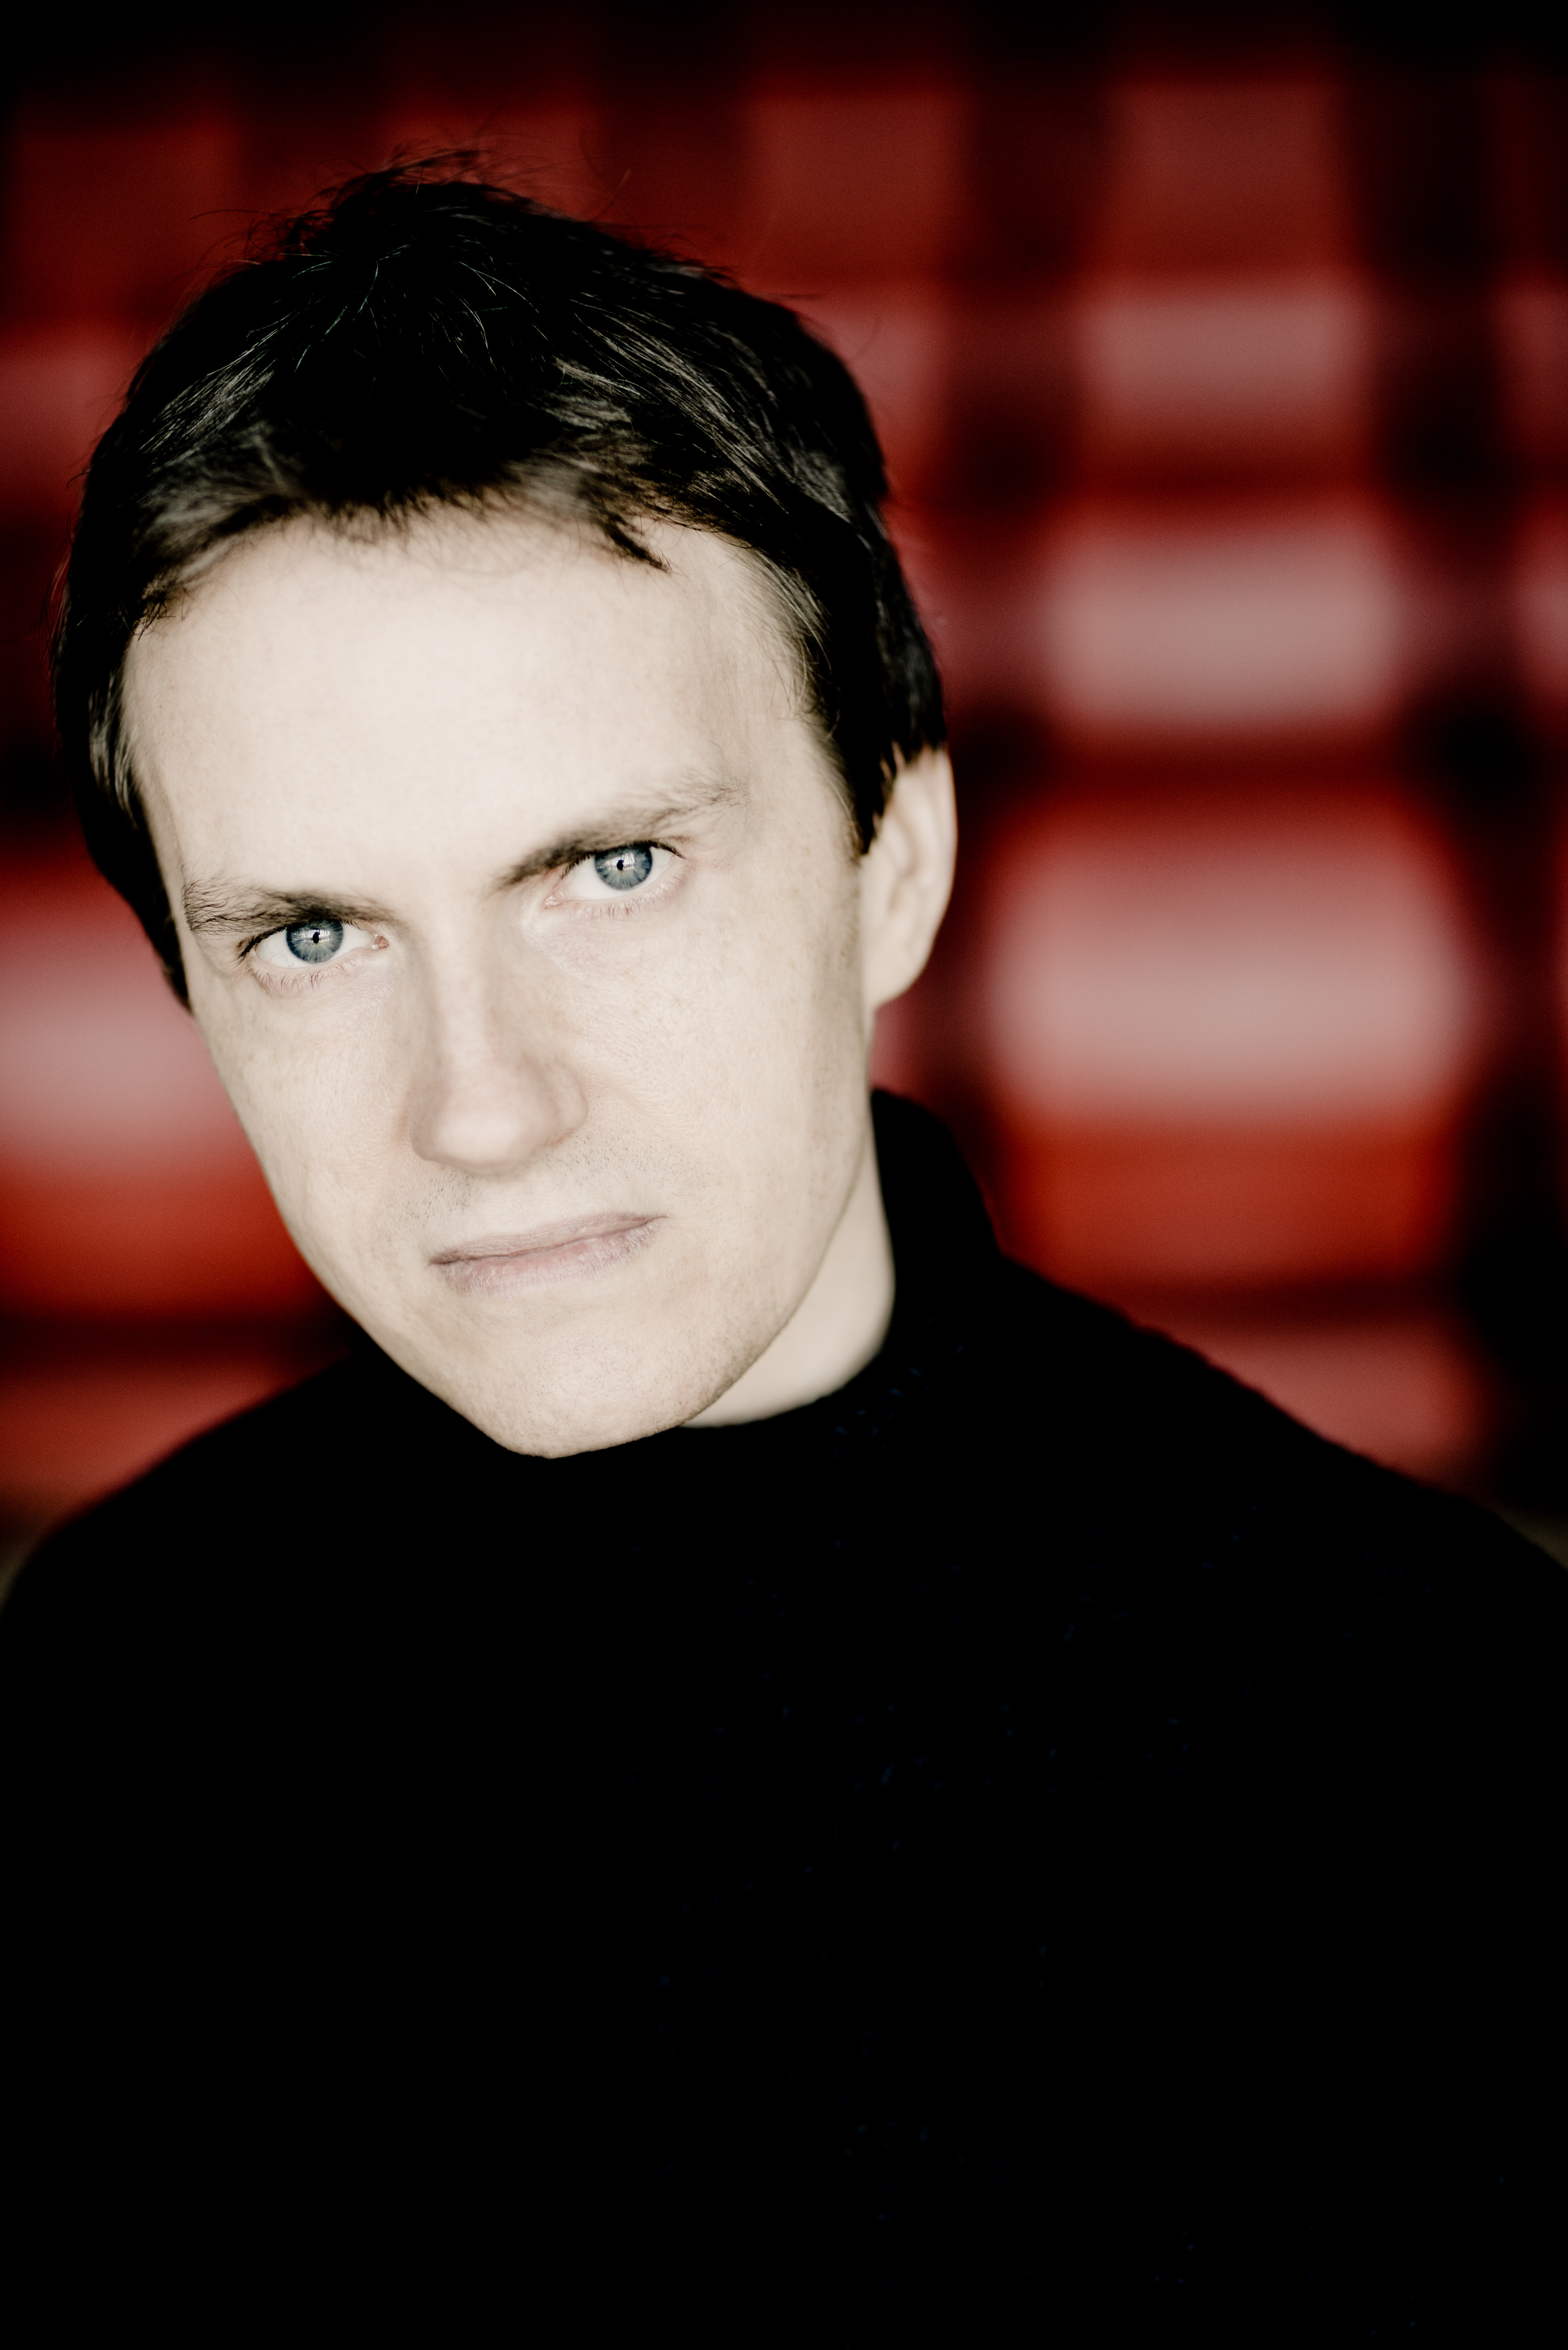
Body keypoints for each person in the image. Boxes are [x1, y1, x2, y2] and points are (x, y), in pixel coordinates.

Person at [1, 165, 1563, 2331]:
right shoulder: (112, 1674)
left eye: (613, 867)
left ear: (891, 860)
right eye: (314, 933)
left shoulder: (1437, 1743)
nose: (480, 1104)